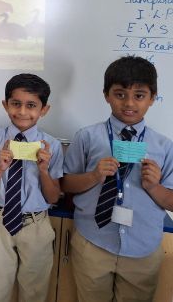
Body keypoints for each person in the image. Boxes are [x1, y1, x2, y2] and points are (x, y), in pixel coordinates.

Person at [61, 56, 173, 302]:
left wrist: (154, 186)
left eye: (139, 95)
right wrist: (94, 176)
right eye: (120, 94)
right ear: (106, 95)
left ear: (153, 98)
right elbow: (66, 184)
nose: (129, 103)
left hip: (142, 249)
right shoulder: (87, 137)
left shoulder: (165, 147)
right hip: (93, 243)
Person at [0, 73, 63, 302]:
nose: (23, 111)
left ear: (44, 109)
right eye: (16, 104)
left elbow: (53, 197)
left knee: (34, 292)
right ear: (5, 105)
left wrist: (44, 170)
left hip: (36, 224)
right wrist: (0, 169)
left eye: (31, 105)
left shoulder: (52, 145)